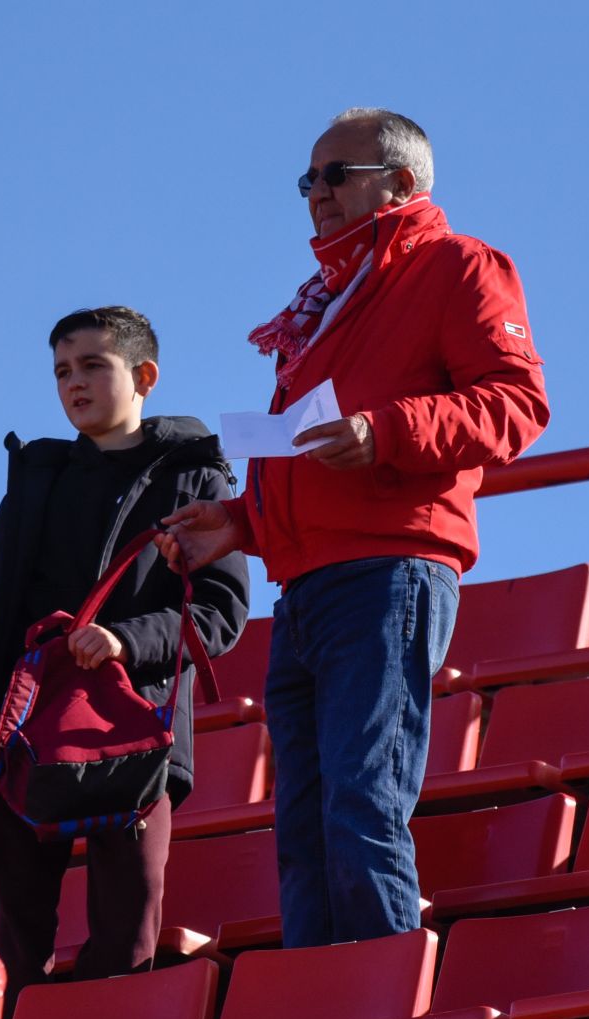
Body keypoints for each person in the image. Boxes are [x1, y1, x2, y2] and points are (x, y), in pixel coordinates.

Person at [157, 108, 549, 948]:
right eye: (309, 179)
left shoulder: (456, 265)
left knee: (362, 804)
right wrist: (241, 523)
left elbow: (517, 407)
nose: (316, 194)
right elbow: (313, 455)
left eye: (337, 175)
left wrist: (386, 430)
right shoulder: (327, 302)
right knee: (304, 830)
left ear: (402, 183)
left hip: (388, 571)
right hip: (307, 586)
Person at [0, 306, 251, 997]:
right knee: (14, 948)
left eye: (93, 365)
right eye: (62, 370)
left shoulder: (195, 478)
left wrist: (125, 641)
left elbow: (219, 613)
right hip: (18, 736)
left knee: (126, 938)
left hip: (132, 735)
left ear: (144, 375)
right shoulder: (34, 482)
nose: (74, 382)